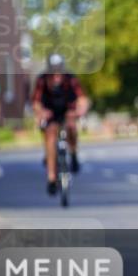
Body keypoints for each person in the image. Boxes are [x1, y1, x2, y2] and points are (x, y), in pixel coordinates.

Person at [31, 54, 89, 195]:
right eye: (53, 71)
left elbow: (82, 99)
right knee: (50, 137)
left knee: (71, 127)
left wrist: (80, 111)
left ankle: (73, 153)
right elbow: (36, 102)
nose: (56, 75)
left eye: (59, 71)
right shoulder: (42, 80)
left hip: (67, 111)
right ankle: (51, 177)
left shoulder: (70, 79)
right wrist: (41, 112)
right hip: (50, 113)